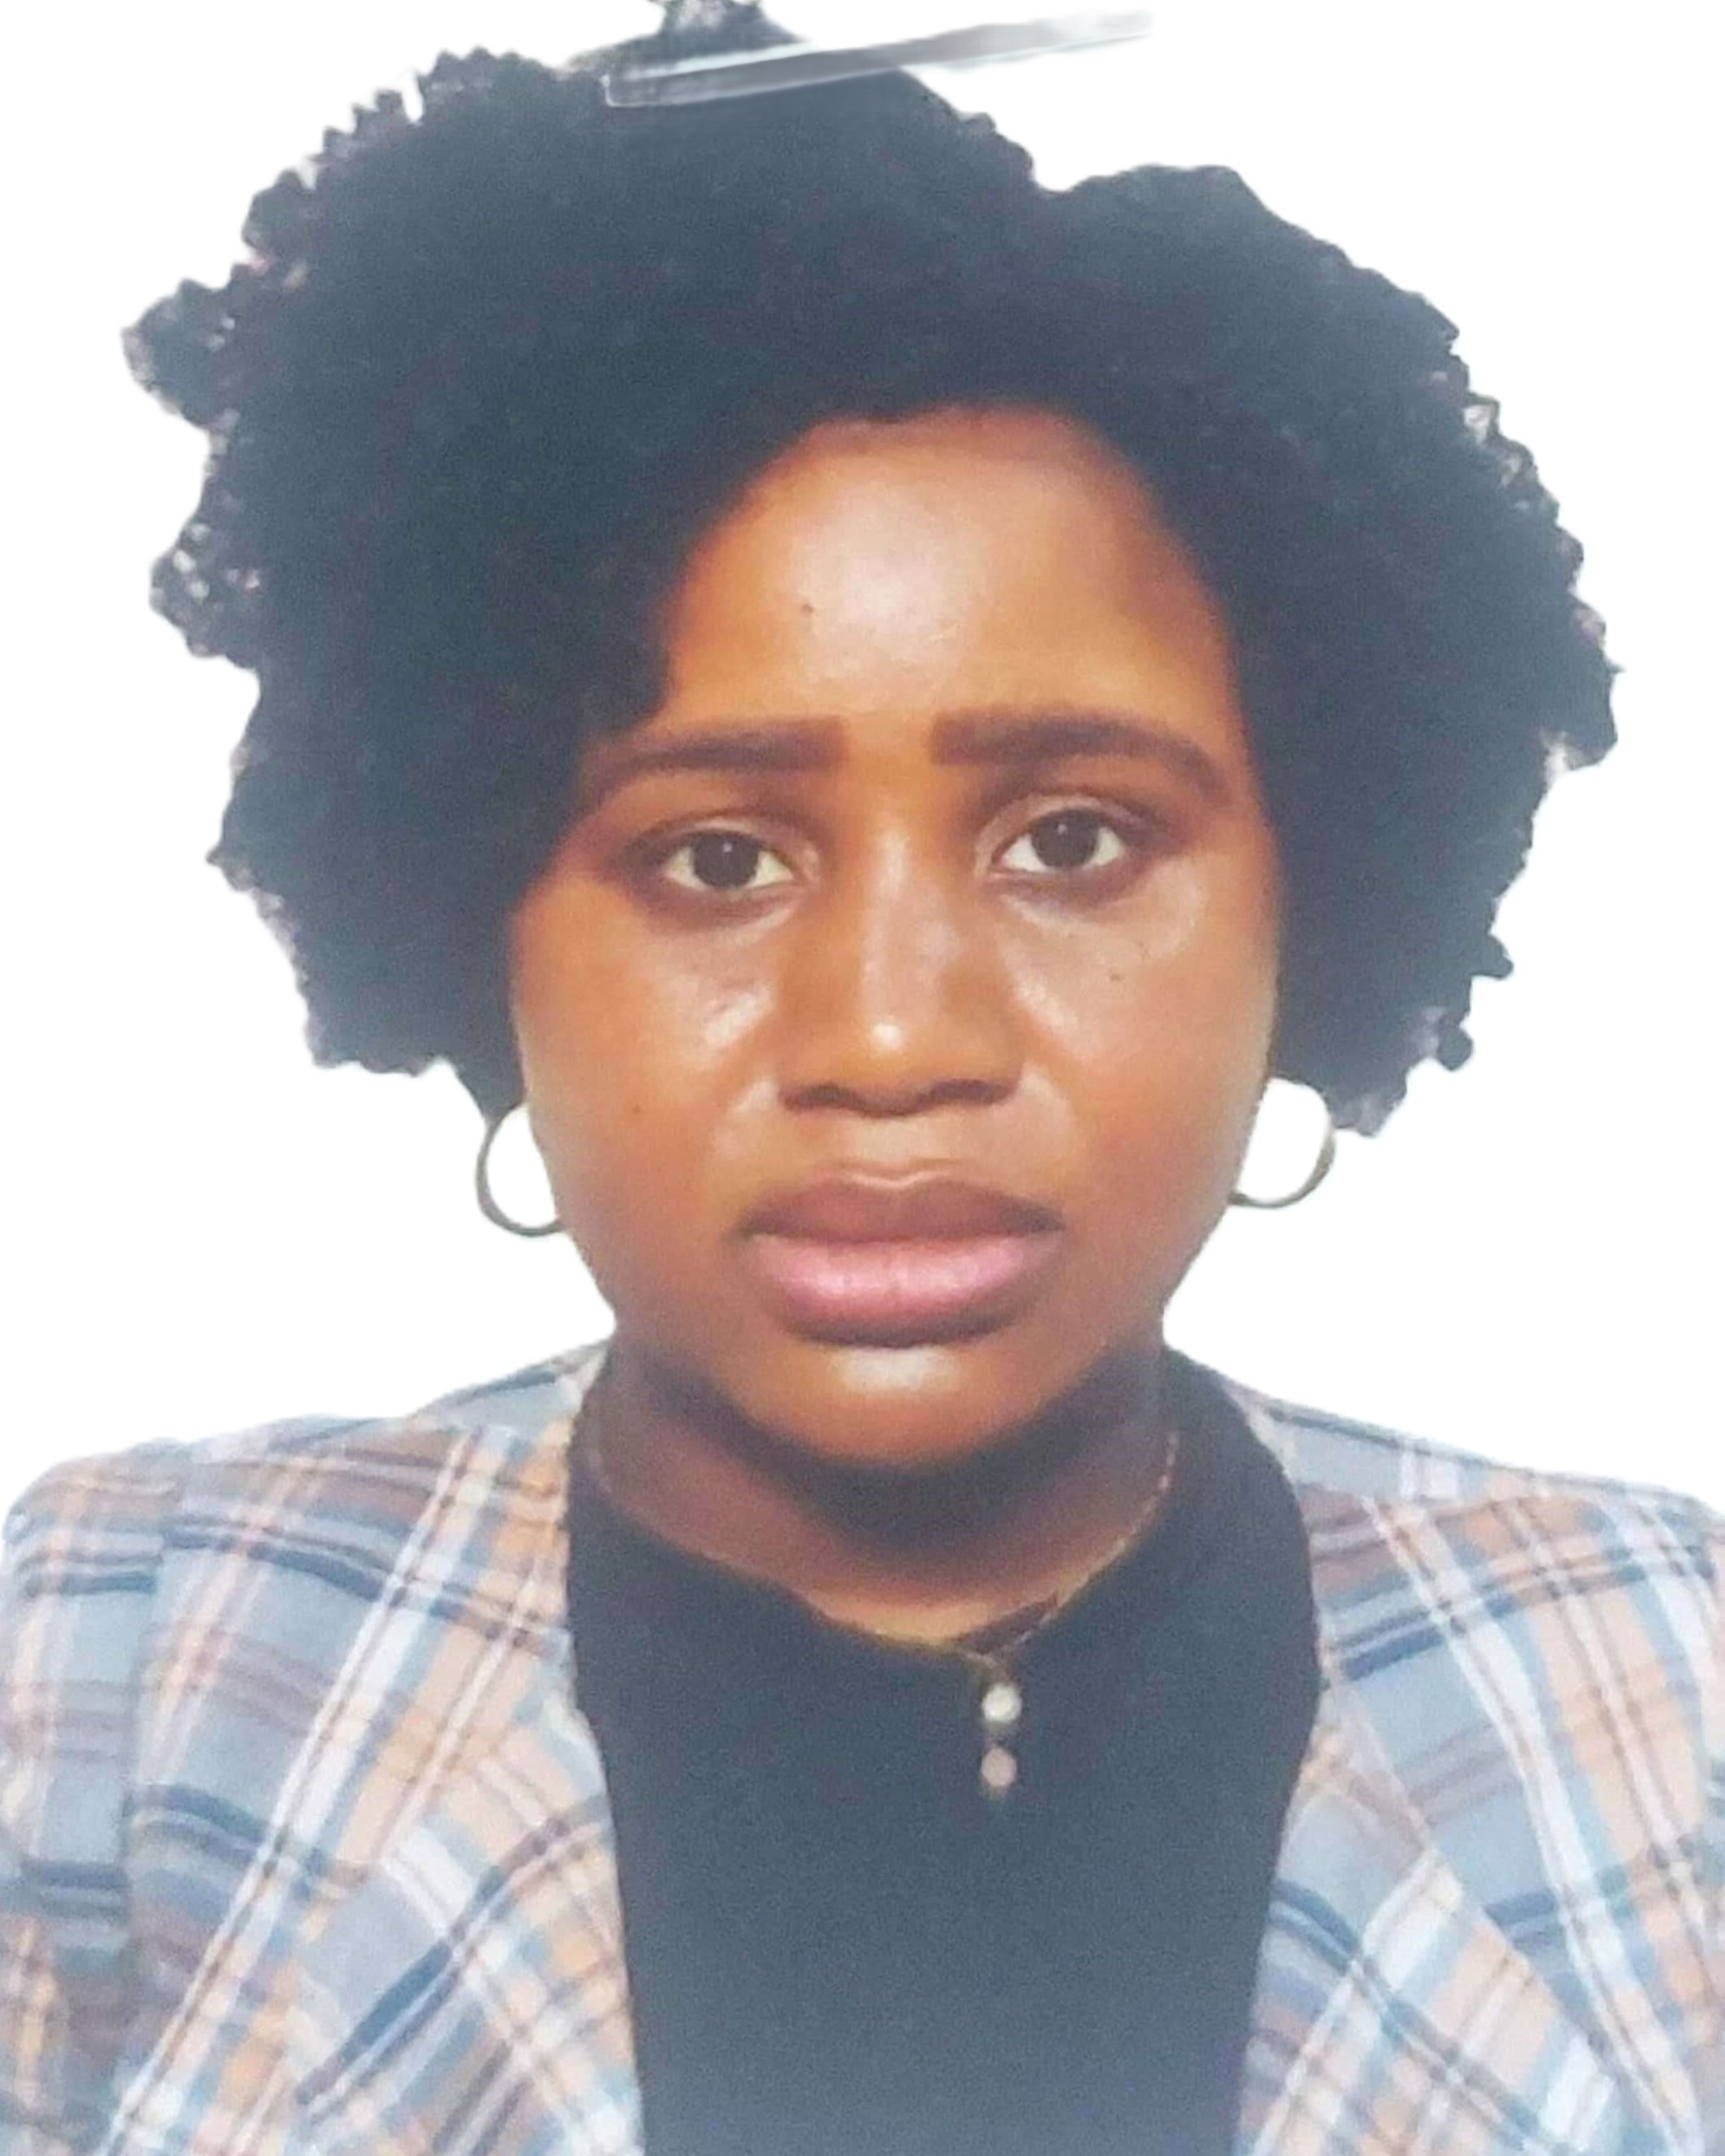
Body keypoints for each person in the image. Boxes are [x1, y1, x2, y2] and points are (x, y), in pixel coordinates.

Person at [2, 7, 1718, 2153]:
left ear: (1323, 889)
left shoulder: (1668, 1676)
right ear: (466, 913)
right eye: (716, 860)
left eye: (1071, 840)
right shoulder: (105, 1663)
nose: (895, 1042)